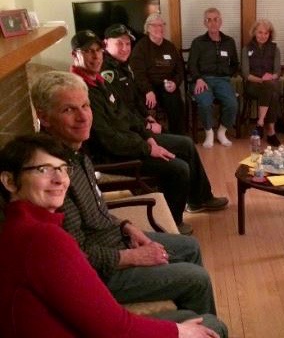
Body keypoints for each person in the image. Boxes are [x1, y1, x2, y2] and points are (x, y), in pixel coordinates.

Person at [30, 70, 227, 337]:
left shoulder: (75, 151)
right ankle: (197, 326)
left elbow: (97, 209)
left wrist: (126, 226)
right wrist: (132, 257)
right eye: (68, 109)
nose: (83, 116)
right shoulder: (53, 175)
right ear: (44, 116)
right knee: (197, 278)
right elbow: (78, 256)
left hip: (113, 238)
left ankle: (192, 321)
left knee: (189, 246)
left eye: (86, 106)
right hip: (102, 272)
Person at [0, 133, 224, 338]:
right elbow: (113, 328)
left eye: (62, 168)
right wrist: (180, 332)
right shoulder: (43, 239)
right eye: (43, 169)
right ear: (9, 181)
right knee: (211, 326)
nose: (60, 179)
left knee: (197, 313)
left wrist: (127, 226)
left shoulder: (19, 226)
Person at [69, 30, 229, 236]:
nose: (96, 56)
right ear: (75, 55)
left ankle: (199, 199)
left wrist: (148, 136)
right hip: (113, 153)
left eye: (98, 50)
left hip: (130, 140)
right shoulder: (80, 90)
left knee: (186, 144)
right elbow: (107, 139)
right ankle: (170, 223)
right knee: (178, 168)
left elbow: (125, 114)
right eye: (88, 52)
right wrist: (147, 146)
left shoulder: (98, 80)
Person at [188, 7, 239, 148]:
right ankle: (209, 132)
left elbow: (235, 64)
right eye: (208, 20)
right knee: (205, 102)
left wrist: (227, 74)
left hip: (223, 80)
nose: (213, 23)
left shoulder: (229, 41)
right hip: (202, 80)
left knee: (232, 104)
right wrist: (198, 79)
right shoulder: (198, 42)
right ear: (205, 23)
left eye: (215, 19)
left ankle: (222, 132)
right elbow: (191, 65)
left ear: (220, 21)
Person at [130, 14, 186, 135]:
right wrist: (148, 90)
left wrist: (175, 83)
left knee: (176, 103)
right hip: (148, 87)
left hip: (167, 86)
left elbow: (179, 70)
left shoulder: (170, 46)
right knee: (143, 106)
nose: (159, 28)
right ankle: (150, 137)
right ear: (148, 28)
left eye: (161, 25)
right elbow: (138, 73)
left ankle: (178, 136)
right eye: (154, 25)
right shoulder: (140, 48)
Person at [102, 23, 162, 134]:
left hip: (136, 122)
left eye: (128, 43)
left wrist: (147, 115)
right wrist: (147, 126)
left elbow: (135, 97)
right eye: (119, 43)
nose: (125, 48)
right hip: (126, 130)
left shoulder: (123, 65)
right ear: (105, 44)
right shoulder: (106, 71)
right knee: (185, 145)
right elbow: (119, 110)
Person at [241, 19, 282, 146]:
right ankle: (270, 131)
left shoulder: (275, 48)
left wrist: (270, 78)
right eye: (260, 32)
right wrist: (261, 80)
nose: (263, 36)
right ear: (254, 32)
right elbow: (246, 74)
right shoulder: (247, 48)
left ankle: (260, 123)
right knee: (272, 92)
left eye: (266, 33)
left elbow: (277, 72)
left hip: (270, 83)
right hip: (253, 85)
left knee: (270, 87)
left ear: (270, 34)